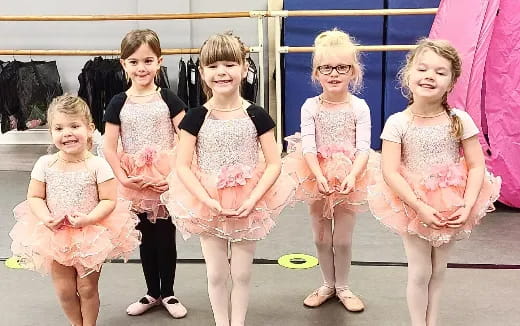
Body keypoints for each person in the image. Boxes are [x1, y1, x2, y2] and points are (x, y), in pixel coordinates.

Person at [161, 32, 295, 326]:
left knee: (243, 273)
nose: (222, 72)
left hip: (249, 199)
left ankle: (239, 322)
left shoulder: (257, 115)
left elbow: (274, 163)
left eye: (230, 64)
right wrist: (206, 199)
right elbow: (182, 165)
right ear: (202, 72)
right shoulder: (195, 117)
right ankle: (222, 321)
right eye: (213, 66)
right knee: (216, 272)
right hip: (208, 202)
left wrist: (253, 199)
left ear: (244, 68)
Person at [367, 38, 501, 326]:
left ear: (451, 82)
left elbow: (477, 165)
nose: (429, 76)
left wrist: (467, 203)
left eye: (440, 72)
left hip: (451, 202)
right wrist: (419, 207)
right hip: (413, 204)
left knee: (439, 267)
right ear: (408, 74)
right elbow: (390, 171)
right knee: (419, 270)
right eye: (423, 69)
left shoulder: (460, 120)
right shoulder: (397, 123)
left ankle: (432, 321)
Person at [9, 94, 140, 326]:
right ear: (51, 133)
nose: (67, 133)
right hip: (54, 234)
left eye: (74, 126)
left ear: (89, 129)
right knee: (65, 291)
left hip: (89, 234)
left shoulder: (97, 165)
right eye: (59, 128)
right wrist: (45, 217)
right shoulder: (45, 164)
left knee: (87, 287)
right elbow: (35, 196)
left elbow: (109, 200)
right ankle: (75, 323)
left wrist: (89, 218)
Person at [283, 29, 371, 312]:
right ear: (316, 73)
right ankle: (327, 284)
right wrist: (319, 176)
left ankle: (343, 286)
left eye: (342, 67)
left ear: (353, 71)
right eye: (326, 68)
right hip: (315, 174)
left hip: (350, 175)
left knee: (342, 239)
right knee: (321, 236)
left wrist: (352, 176)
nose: (334, 74)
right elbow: (308, 145)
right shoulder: (311, 106)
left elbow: (363, 147)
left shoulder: (359, 106)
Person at [103, 29, 187, 318]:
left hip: (164, 177)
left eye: (148, 61)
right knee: (144, 237)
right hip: (134, 180)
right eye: (134, 62)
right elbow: (109, 147)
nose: (142, 68)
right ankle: (152, 291)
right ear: (123, 64)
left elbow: (187, 137)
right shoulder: (118, 102)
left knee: (166, 235)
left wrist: (174, 174)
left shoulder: (168, 98)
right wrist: (122, 178)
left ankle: (170, 293)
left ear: (159, 62)